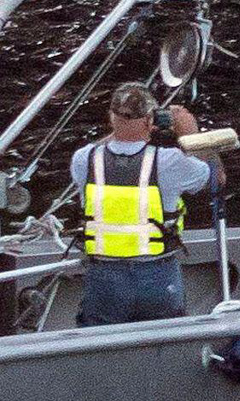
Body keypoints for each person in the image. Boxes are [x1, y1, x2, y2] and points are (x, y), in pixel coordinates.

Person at [67, 83, 214, 325]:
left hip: (104, 279)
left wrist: (122, 128)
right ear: (150, 120)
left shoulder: (84, 159)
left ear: (110, 117)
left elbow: (109, 145)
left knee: (100, 344)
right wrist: (190, 133)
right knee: (164, 341)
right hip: (156, 276)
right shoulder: (169, 162)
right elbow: (213, 177)